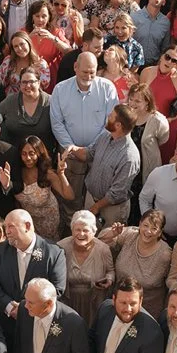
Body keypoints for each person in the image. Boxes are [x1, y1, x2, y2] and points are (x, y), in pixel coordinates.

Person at [0, 209, 67, 353]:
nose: (6, 231)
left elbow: (57, 289)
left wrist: (24, 309)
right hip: (7, 319)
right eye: (6, 227)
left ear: (27, 226)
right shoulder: (0, 251)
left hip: (37, 320)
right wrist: (9, 306)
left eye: (10, 227)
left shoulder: (53, 253)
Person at [50, 52, 120, 227]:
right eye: (84, 72)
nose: (88, 77)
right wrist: (72, 148)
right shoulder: (60, 90)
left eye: (92, 72)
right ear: (75, 67)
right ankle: (69, 233)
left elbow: (110, 122)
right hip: (70, 155)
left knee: (94, 199)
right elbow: (57, 123)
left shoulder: (107, 88)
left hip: (99, 154)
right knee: (69, 198)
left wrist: (91, 150)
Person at [58, 210, 115, 326]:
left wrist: (109, 280)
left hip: (94, 302)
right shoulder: (60, 247)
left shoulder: (103, 249)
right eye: (77, 230)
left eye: (86, 230)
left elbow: (111, 271)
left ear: (94, 232)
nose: (81, 234)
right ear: (72, 230)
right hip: (68, 302)